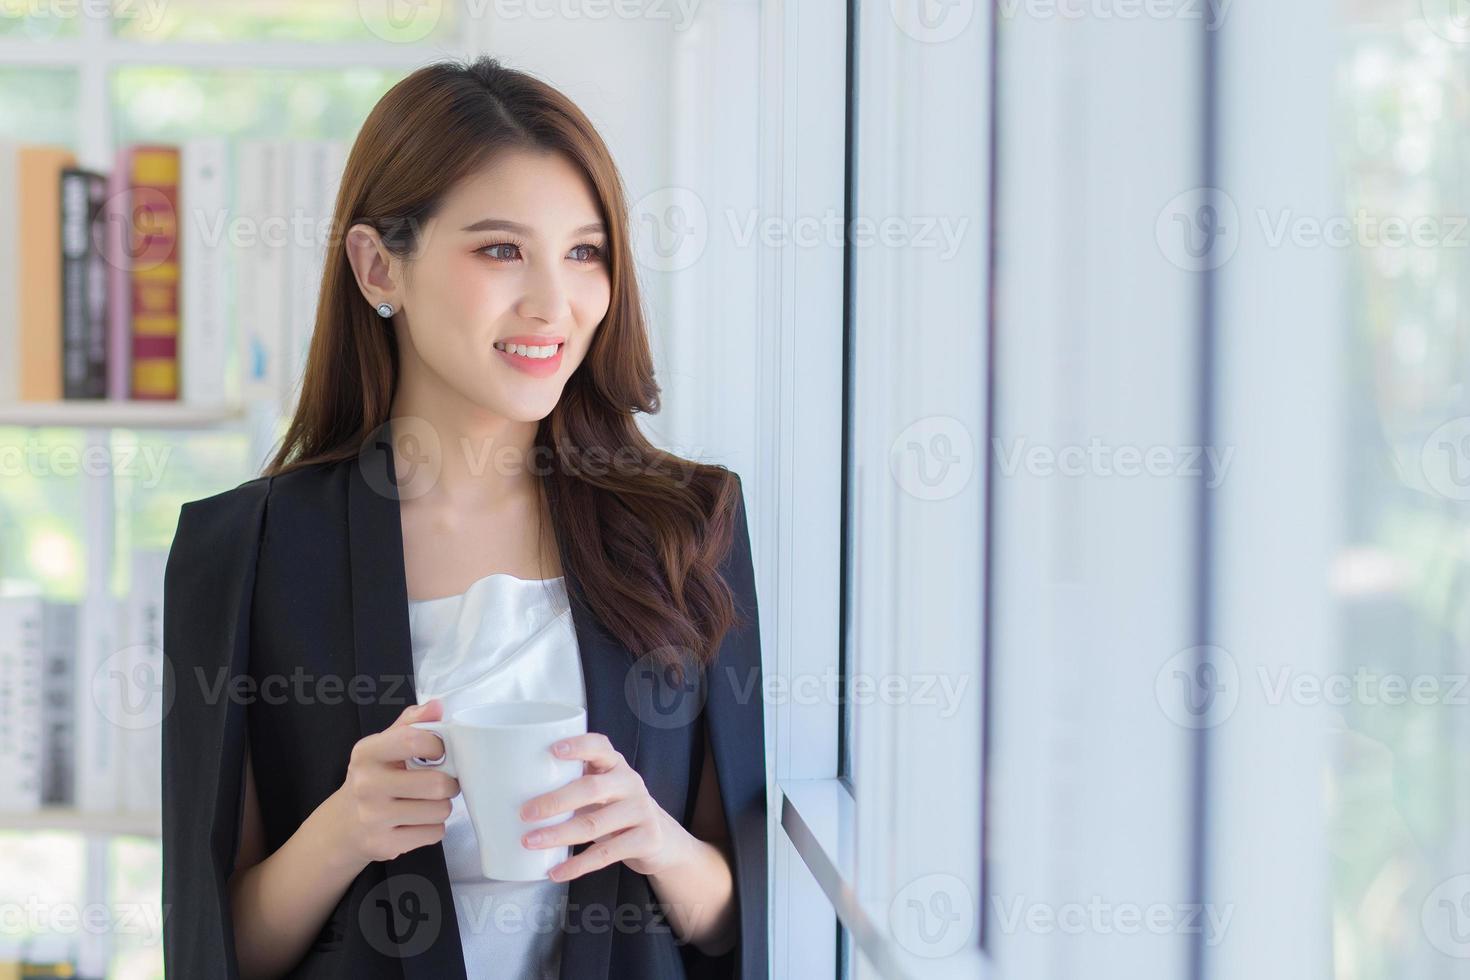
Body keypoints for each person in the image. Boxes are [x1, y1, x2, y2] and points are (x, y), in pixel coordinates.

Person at [161, 56, 767, 980]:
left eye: (584, 251)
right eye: (499, 249)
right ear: (378, 265)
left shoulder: (686, 527)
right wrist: (343, 832)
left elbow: (733, 921)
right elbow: (218, 947)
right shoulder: (246, 553)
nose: (553, 304)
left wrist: (653, 839)